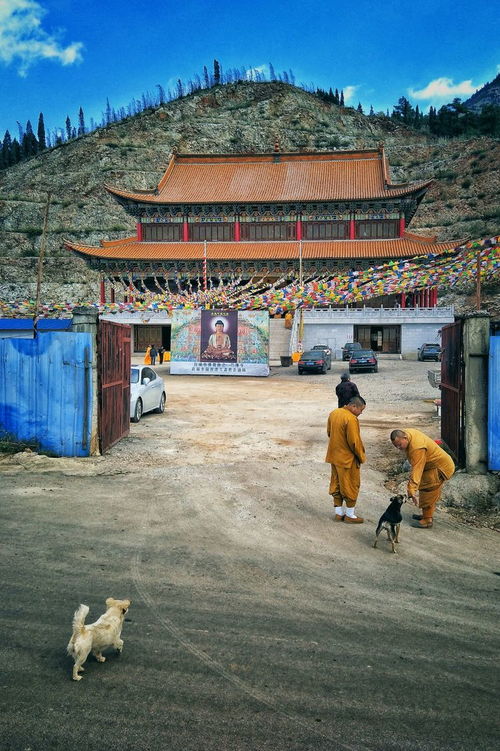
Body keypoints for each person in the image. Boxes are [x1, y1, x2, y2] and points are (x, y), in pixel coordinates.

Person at [390, 429, 455, 528]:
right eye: (396, 446)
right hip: (432, 466)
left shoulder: (417, 448)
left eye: (399, 444)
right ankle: (426, 515)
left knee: (429, 489)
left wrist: (411, 489)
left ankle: (427, 520)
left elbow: (417, 469)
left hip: (440, 467)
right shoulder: (407, 434)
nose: (399, 448)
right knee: (427, 487)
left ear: (405, 438)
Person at [325, 395, 367, 523]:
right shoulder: (351, 419)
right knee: (351, 485)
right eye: (361, 410)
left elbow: (329, 433)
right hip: (347, 460)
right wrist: (361, 457)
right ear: (354, 406)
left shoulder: (334, 413)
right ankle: (350, 515)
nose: (361, 413)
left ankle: (338, 513)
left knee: (336, 483)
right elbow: (354, 442)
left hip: (334, 456)